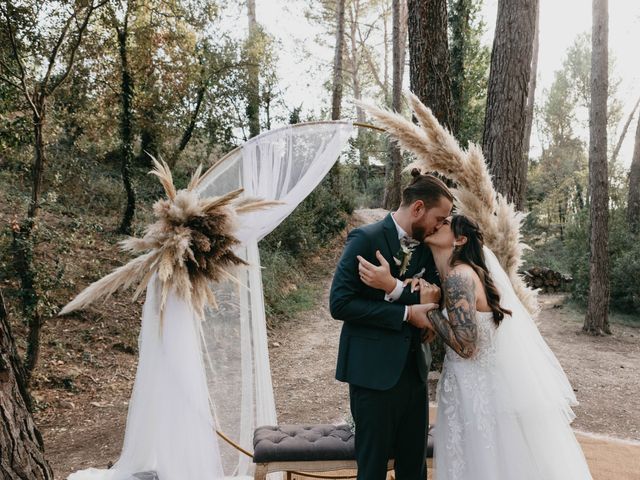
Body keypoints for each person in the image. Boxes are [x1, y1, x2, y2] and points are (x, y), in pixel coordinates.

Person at [360, 214, 593, 480]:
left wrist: (430, 310)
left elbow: (467, 346)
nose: (437, 224)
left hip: (477, 391)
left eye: (445, 223)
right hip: (469, 385)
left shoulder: (459, 277)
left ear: (460, 239)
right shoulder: (457, 274)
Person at [329, 169, 453, 480]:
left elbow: (433, 298)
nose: (442, 226)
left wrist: (395, 288)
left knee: (414, 470)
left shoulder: (428, 247)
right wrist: (405, 314)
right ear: (418, 208)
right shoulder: (366, 239)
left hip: (414, 375)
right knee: (372, 470)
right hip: (373, 376)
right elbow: (340, 303)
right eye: (440, 218)